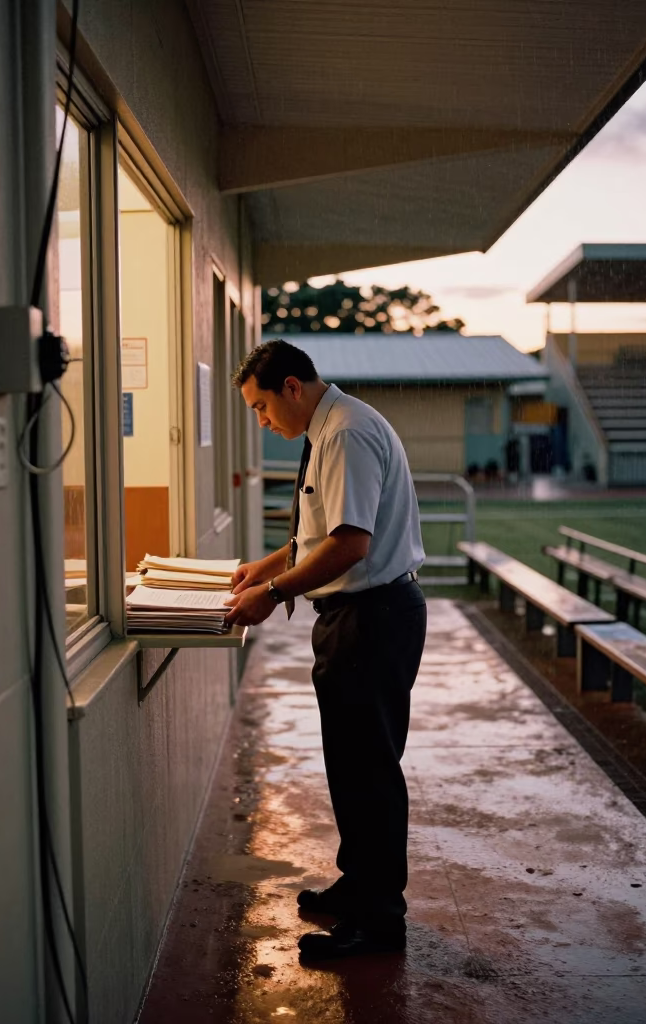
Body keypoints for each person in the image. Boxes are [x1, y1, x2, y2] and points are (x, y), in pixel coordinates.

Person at [224, 340, 427, 962]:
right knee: (351, 764)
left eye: (261, 407)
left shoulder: (344, 434)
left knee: (368, 771)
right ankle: (359, 885)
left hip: (373, 617)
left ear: (291, 386)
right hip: (358, 618)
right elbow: (316, 534)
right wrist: (264, 568)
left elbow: (349, 546)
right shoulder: (328, 427)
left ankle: (378, 923)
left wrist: (273, 593)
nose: (261, 422)